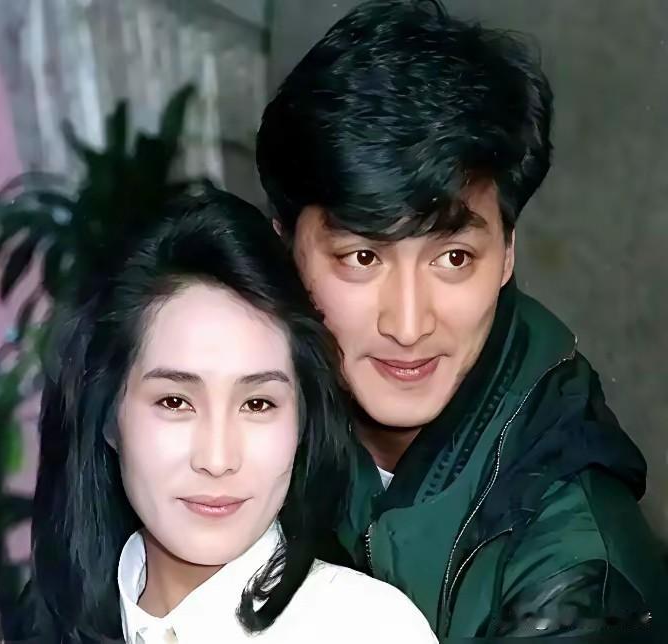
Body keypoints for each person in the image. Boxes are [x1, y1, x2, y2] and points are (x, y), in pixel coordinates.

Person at [256, 0, 668, 639]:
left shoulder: (577, 582)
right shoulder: (233, 435)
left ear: (507, 253)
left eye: (453, 258)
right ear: (285, 247)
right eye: (362, 257)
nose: (409, 325)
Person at [4, 190, 436, 643]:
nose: (217, 459)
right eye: (175, 402)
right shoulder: (47, 621)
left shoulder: (368, 628)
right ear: (109, 415)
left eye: (258, 404)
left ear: (302, 423)